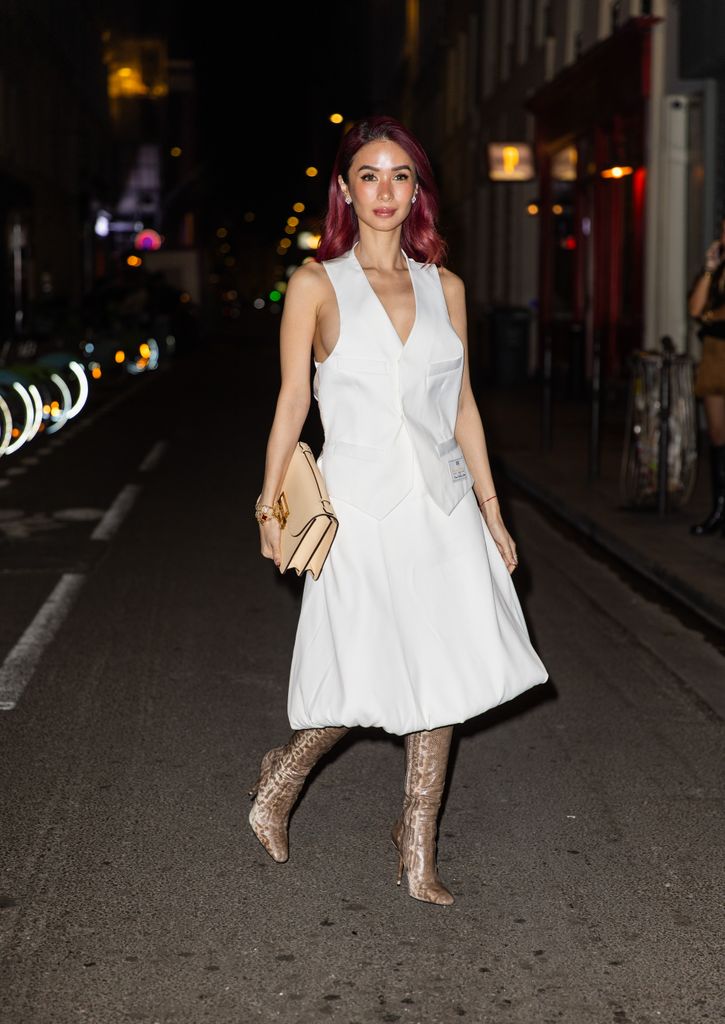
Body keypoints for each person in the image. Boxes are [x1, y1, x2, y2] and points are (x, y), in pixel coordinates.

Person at [249, 116, 548, 905]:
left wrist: (491, 511)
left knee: (440, 676)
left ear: (417, 190)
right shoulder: (316, 285)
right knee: (357, 674)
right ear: (345, 189)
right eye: (369, 176)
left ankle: (415, 847)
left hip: (441, 508)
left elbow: (461, 407)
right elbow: (290, 404)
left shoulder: (442, 286)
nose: (384, 191)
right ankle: (279, 780)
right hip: (355, 512)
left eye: (400, 176)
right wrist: (268, 504)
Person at [689, 217, 725, 536]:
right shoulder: (716, 273)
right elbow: (696, 309)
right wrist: (710, 267)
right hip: (715, 355)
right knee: (716, 433)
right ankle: (719, 507)